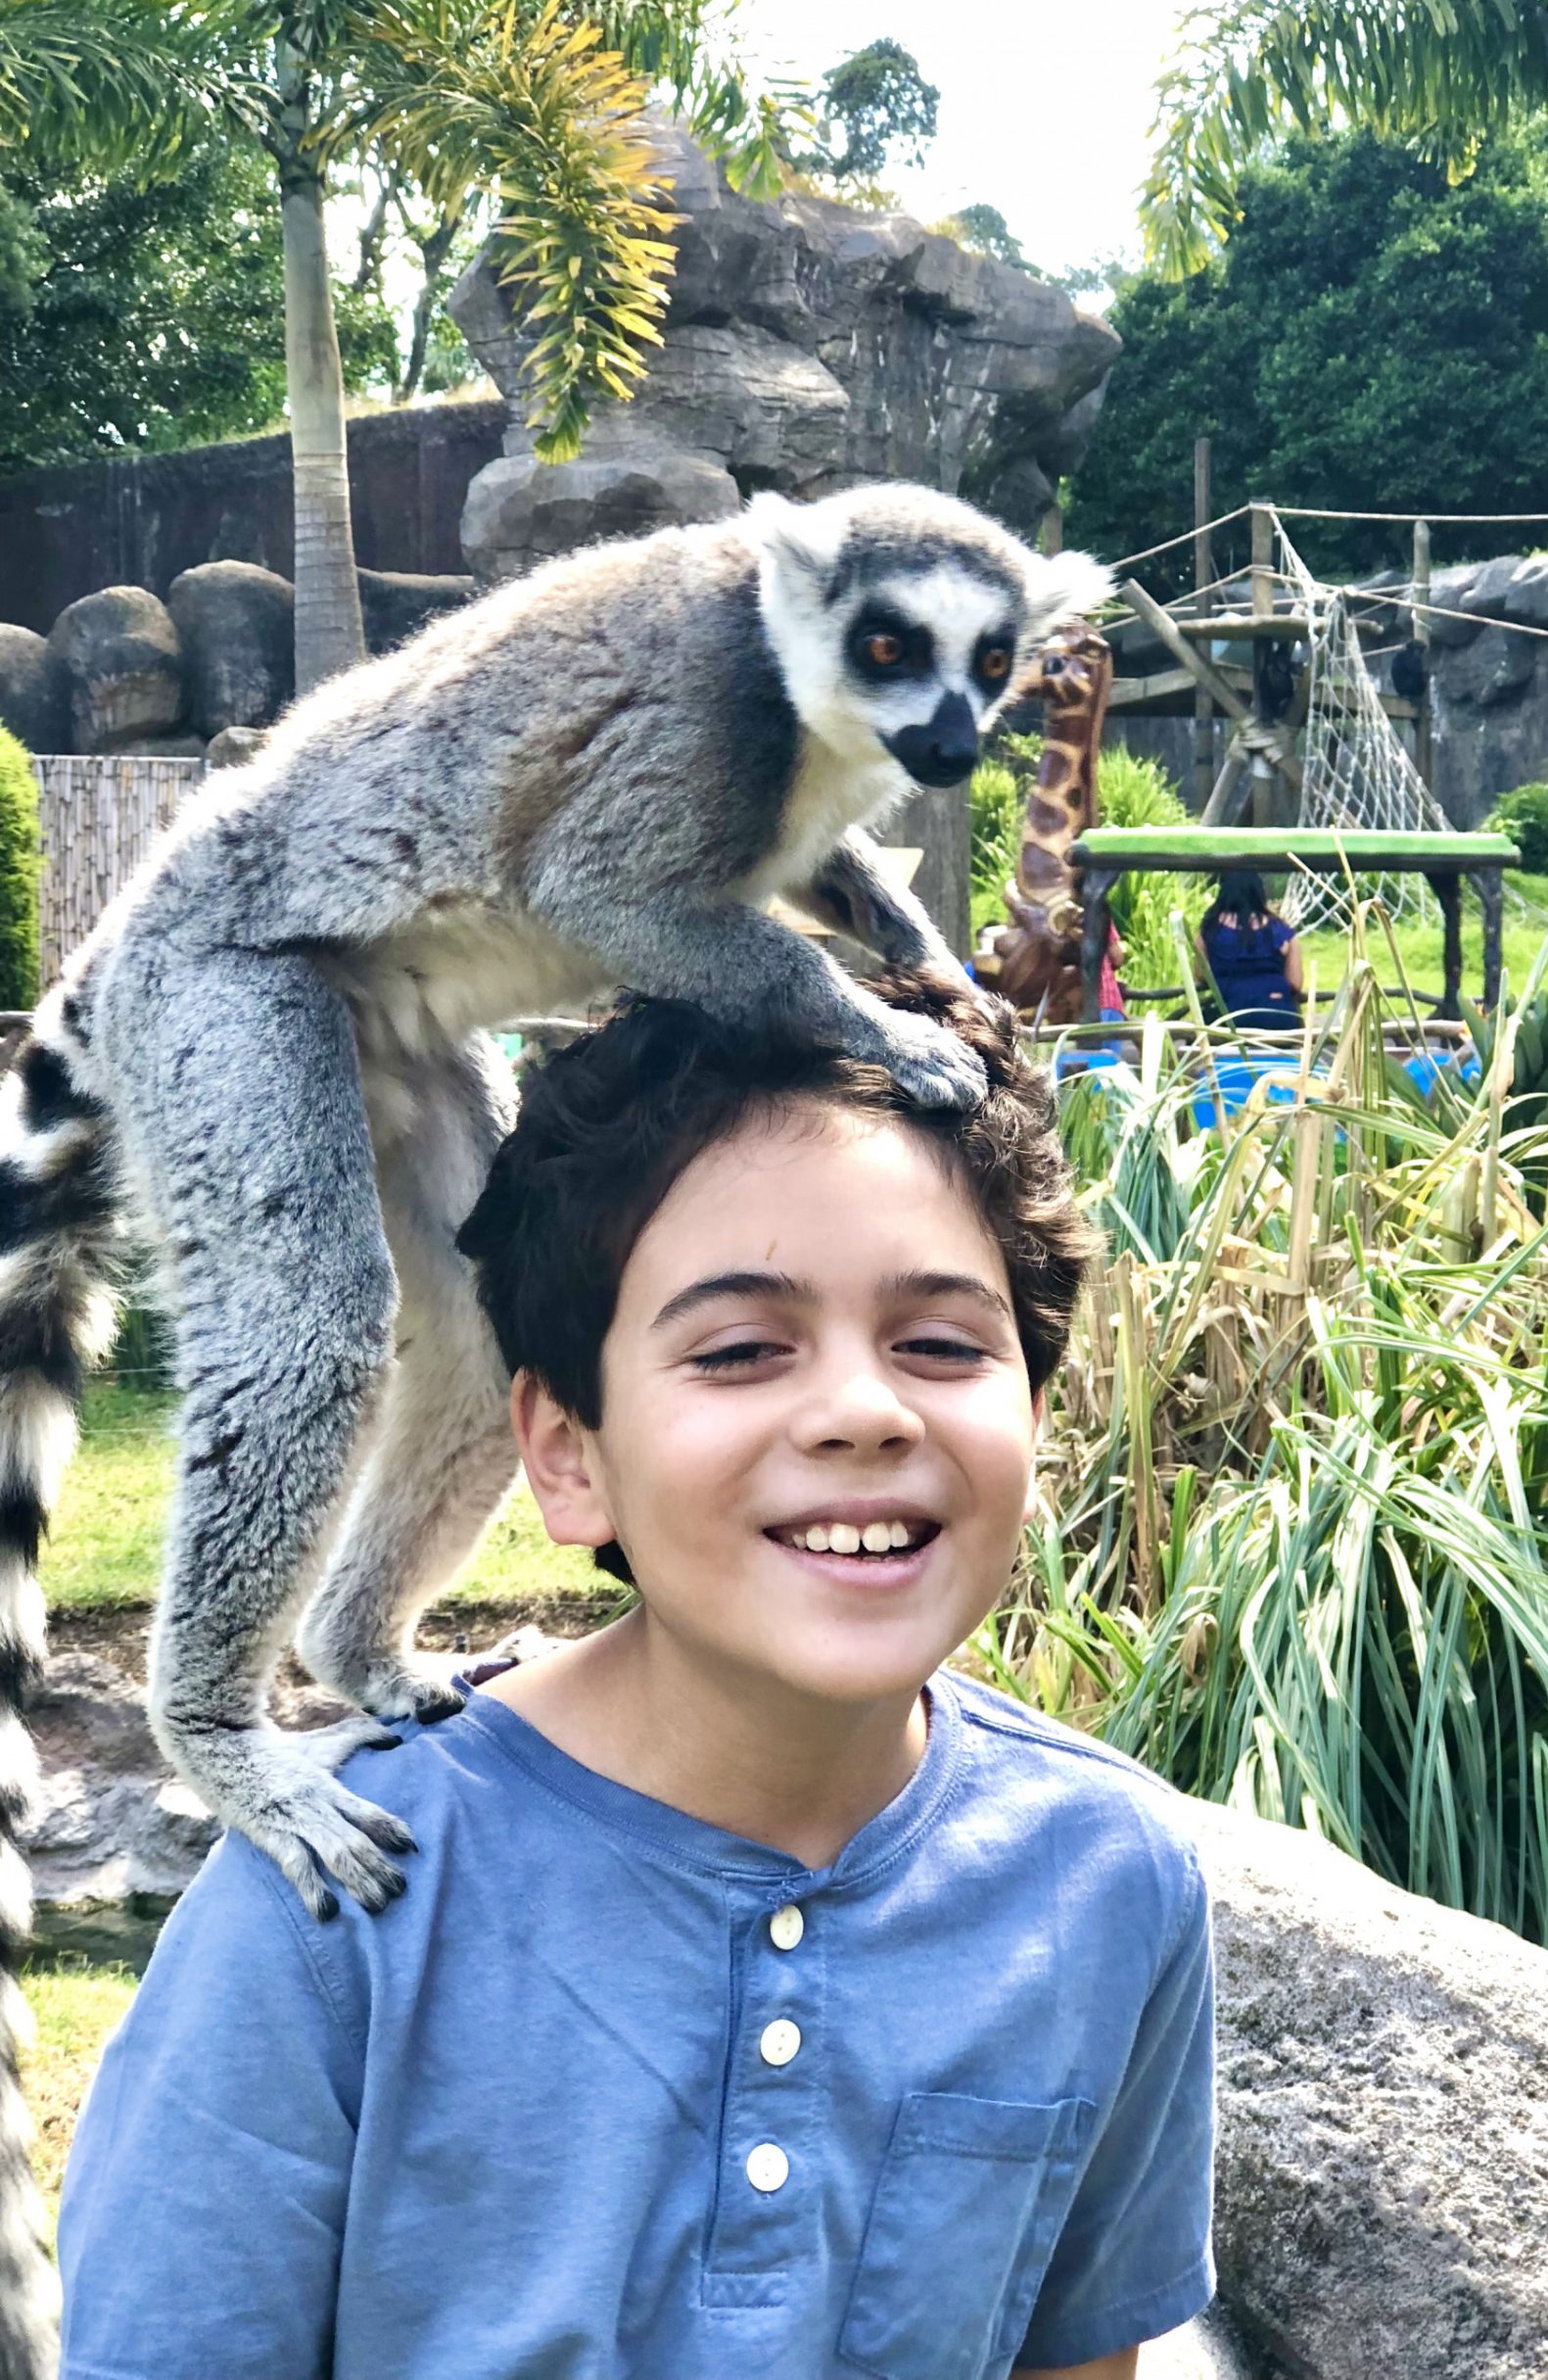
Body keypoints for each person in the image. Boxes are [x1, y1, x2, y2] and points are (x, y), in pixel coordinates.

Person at [58, 977, 1217, 2380]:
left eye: (942, 1343)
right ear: (564, 1451)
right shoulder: (336, 1910)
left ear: (1034, 1412)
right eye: (739, 1350)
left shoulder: (1108, 1879)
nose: (864, 1410)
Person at [1197, 873, 1303, 1022]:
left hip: (1228, 1016)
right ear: (1260, 893)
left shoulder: (1209, 930)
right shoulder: (1283, 932)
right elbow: (1295, 982)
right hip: (1278, 1014)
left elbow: (1201, 974)